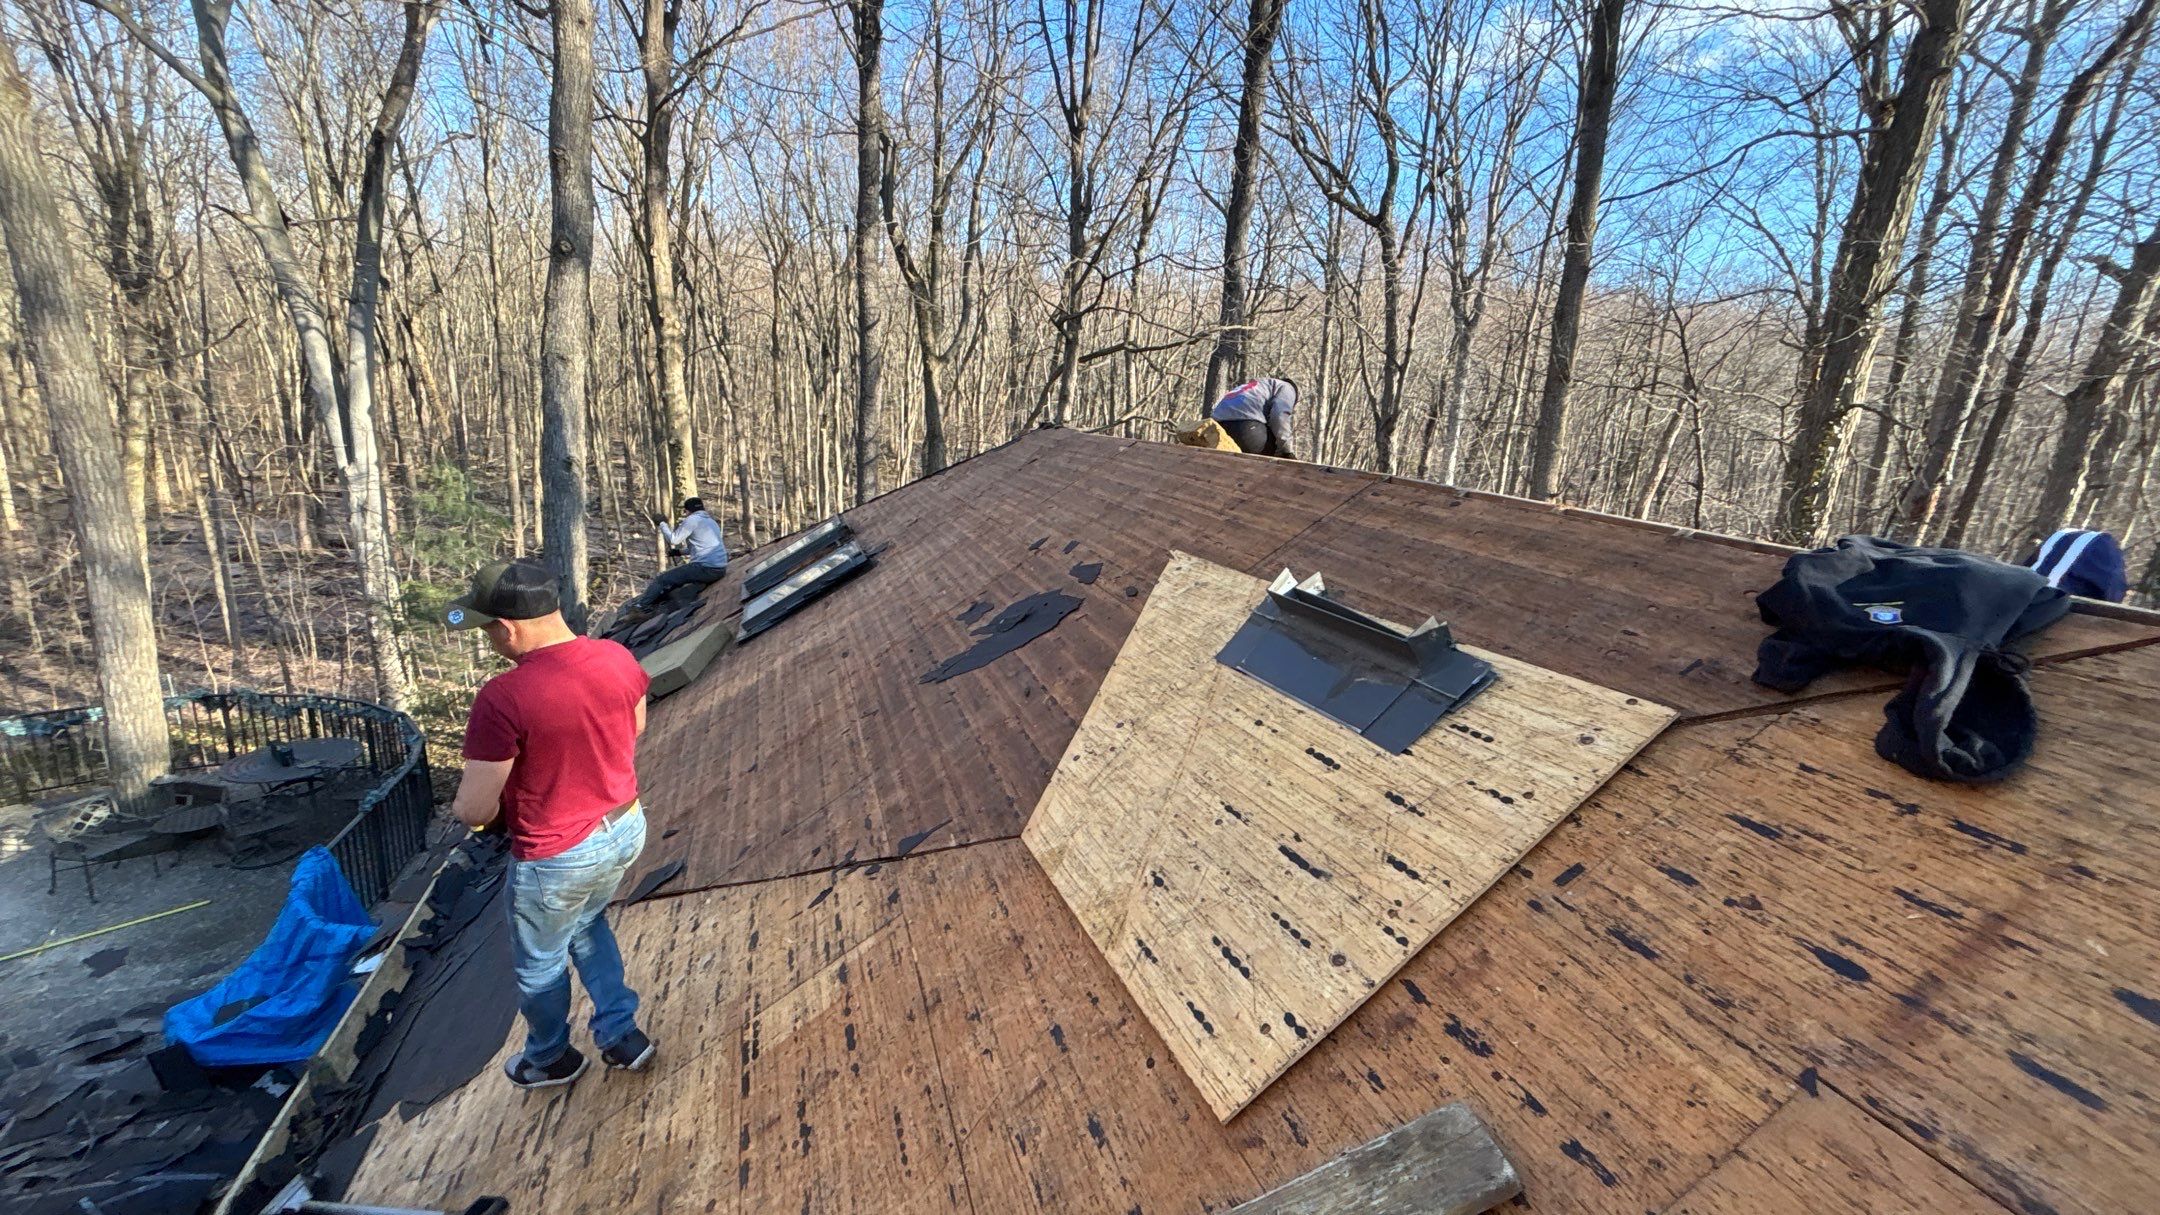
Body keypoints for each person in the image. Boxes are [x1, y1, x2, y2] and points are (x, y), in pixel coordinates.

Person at [445, 558, 657, 1089]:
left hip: (558, 855)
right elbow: (634, 728)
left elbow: (472, 809)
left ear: (508, 627)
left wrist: (505, 810)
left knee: (540, 964)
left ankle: (550, 1058)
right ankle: (621, 1034)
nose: (490, 640)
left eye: (488, 628)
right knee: (588, 924)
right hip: (625, 826)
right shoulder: (615, 656)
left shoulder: (503, 698)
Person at [627, 496, 730, 613]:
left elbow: (673, 540)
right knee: (675, 579)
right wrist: (679, 552)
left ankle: (640, 608)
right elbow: (702, 546)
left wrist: (662, 524)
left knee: (662, 579)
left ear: (687, 511)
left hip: (705, 568)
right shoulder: (711, 522)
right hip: (720, 569)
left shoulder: (692, 520)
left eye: (685, 512)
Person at [1208, 377, 1298, 458]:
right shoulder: (1287, 387)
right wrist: (1286, 452)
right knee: (1278, 454)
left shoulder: (1256, 385)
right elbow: (1279, 416)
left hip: (1214, 429)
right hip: (1246, 429)